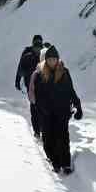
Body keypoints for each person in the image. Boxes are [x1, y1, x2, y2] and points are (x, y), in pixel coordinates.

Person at [32, 44, 82, 174]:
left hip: (62, 111)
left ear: (58, 59)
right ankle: (55, 162)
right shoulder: (40, 74)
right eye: (49, 59)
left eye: (54, 59)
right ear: (46, 60)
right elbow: (37, 96)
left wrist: (78, 105)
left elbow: (70, 90)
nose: (52, 62)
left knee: (63, 137)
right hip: (47, 113)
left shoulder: (64, 72)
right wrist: (41, 111)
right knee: (49, 138)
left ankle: (65, 164)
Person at [14, 33, 44, 138]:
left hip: (30, 85)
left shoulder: (27, 53)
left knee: (34, 106)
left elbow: (20, 69)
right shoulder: (44, 52)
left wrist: (17, 81)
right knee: (42, 107)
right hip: (42, 85)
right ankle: (41, 129)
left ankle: (37, 131)